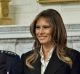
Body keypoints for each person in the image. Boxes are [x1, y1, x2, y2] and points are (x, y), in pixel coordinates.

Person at [21, 9, 80, 74]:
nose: (40, 32)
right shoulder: (26, 58)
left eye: (46, 27)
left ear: (56, 29)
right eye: (37, 27)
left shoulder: (73, 56)